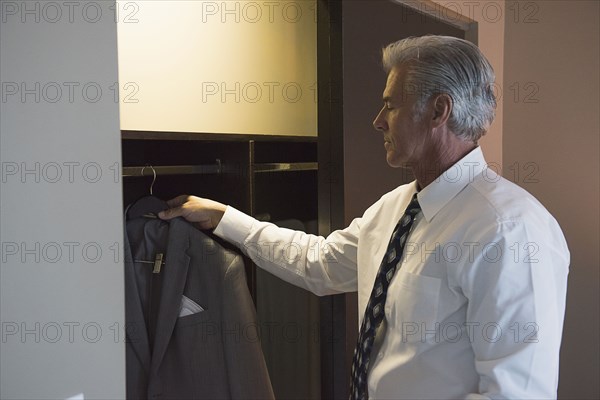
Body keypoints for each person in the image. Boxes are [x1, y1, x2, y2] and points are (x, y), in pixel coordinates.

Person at [158, 36, 569, 399]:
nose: (377, 121)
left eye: (390, 105)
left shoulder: (508, 230)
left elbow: (516, 392)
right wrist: (225, 218)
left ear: (438, 111)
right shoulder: (396, 207)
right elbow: (320, 264)